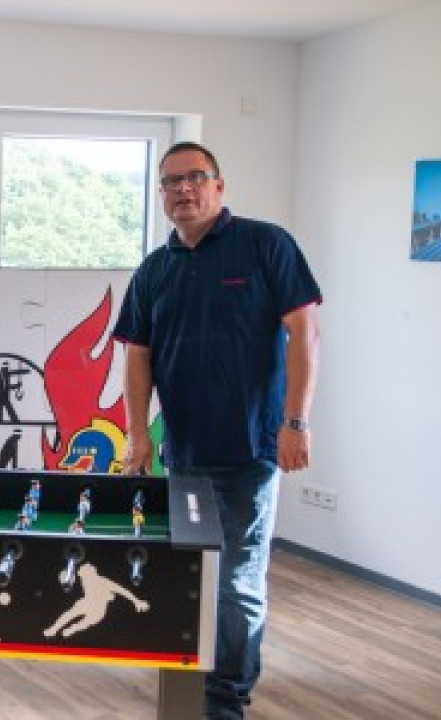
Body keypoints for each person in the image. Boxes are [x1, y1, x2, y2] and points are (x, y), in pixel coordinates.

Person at [113, 141, 321, 719]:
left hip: (251, 449)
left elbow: (305, 333)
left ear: (219, 185)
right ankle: (189, 679)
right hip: (183, 453)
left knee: (236, 581)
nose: (183, 190)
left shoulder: (266, 244)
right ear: (161, 193)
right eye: (171, 181)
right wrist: (137, 434)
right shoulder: (155, 269)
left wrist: (296, 421)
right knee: (190, 576)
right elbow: (137, 355)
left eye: (195, 178)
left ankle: (226, 700)